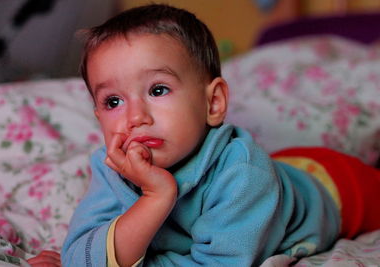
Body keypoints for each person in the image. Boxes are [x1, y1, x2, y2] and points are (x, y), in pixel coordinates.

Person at [31, 4, 380, 267]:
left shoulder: (242, 176)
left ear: (213, 103)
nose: (135, 117)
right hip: (284, 165)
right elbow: (80, 255)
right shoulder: (112, 166)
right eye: (114, 101)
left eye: (158, 89)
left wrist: (155, 198)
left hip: (337, 187)